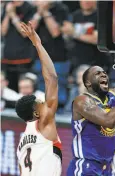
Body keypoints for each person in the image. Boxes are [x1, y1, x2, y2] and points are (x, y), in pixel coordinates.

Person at [16, 22, 62, 176]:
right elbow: (52, 79)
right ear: (36, 114)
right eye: (41, 103)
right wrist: (37, 43)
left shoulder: (21, 145)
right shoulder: (44, 123)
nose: (45, 102)